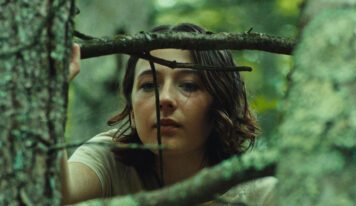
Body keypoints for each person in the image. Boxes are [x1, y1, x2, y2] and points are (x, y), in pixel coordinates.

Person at [63, 23, 276, 205]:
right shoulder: (110, 159)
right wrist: (53, 91)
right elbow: (57, 191)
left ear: (220, 103)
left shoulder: (262, 194)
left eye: (189, 86)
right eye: (148, 86)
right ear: (132, 108)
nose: (164, 99)